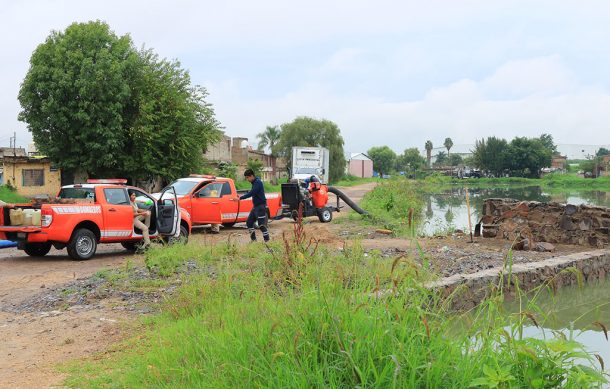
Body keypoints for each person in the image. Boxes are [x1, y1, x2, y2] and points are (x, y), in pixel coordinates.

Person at [239, 169, 269, 242]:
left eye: (247, 178)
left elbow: (252, 193)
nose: (247, 179)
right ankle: (253, 240)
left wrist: (240, 197)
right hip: (256, 207)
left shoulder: (258, 183)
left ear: (251, 176)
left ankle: (267, 241)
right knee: (249, 222)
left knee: (261, 225)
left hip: (261, 206)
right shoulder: (255, 182)